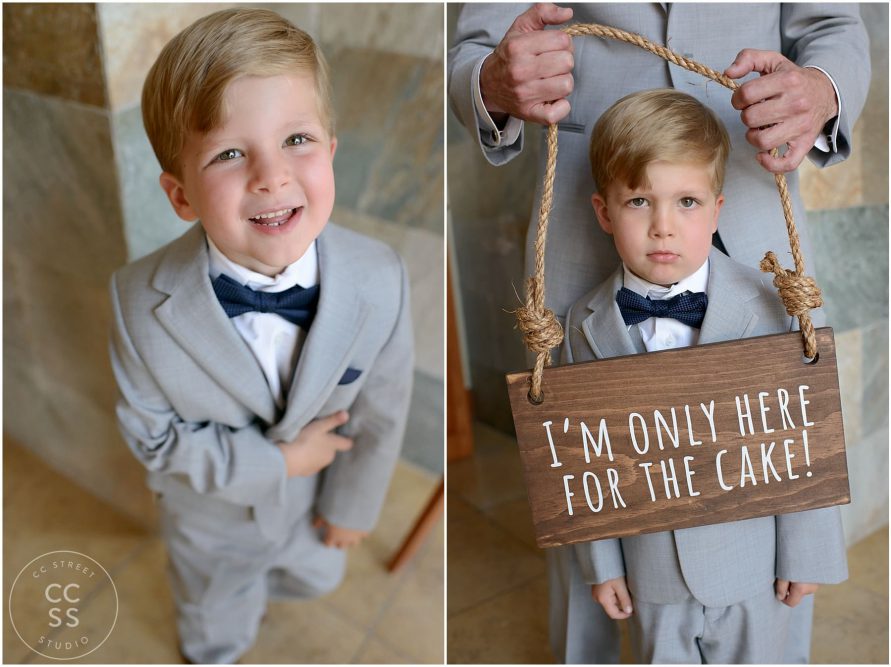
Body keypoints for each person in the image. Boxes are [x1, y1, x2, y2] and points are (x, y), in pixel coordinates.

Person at [448, 3, 869, 662]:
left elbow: (834, 25)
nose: (665, 225)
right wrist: (488, 80)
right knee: (590, 467)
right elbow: (475, 43)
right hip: (592, 187)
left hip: (751, 197)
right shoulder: (592, 311)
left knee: (772, 463)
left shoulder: (773, 301)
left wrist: (822, 89)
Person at [108, 9, 413, 663]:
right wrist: (276, 461)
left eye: (296, 139)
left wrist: (353, 506)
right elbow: (155, 439)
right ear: (181, 194)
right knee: (212, 612)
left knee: (307, 575)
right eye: (228, 153)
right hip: (211, 522)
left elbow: (383, 410)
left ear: (331, 151)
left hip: (311, 510)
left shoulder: (380, 277)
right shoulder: (136, 301)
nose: (271, 176)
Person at [562, 88, 848, 663]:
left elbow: (802, 443)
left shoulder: (771, 304)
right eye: (640, 201)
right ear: (604, 212)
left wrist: (806, 553)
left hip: (753, 568)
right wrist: (603, 566)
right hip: (652, 576)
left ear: (717, 210)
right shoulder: (583, 323)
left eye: (687, 202)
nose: (663, 227)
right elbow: (581, 461)